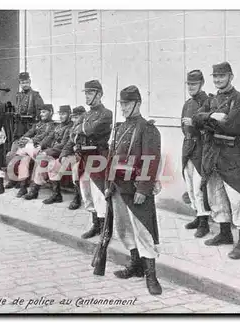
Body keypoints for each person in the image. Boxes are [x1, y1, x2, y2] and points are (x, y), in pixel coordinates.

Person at [192, 61, 240, 260]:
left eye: (222, 76)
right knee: (215, 195)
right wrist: (214, 116)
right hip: (212, 153)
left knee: (238, 198)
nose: (218, 79)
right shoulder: (212, 100)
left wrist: (209, 121)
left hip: (231, 153)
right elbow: (196, 119)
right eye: (215, 76)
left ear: (231, 76)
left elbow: (232, 126)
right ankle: (225, 233)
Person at [109, 85, 162, 295]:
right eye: (121, 104)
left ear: (138, 104)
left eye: (127, 104)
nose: (123, 108)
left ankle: (151, 275)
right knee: (123, 228)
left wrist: (143, 188)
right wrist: (108, 185)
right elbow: (111, 159)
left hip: (136, 187)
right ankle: (136, 264)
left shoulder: (147, 129)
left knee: (143, 230)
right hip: (118, 186)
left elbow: (151, 161)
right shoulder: (119, 128)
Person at [73, 80, 112, 239]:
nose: (87, 97)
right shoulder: (85, 114)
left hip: (98, 157)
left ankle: (105, 228)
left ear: (99, 94)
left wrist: (81, 130)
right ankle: (95, 224)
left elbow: (91, 130)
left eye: (90, 93)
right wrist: (80, 131)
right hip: (84, 157)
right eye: (86, 93)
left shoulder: (106, 113)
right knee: (86, 191)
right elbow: (72, 133)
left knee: (98, 193)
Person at [180, 70, 213, 238]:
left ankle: (204, 222)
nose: (191, 87)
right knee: (190, 186)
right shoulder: (187, 104)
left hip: (201, 148)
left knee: (200, 187)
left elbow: (210, 126)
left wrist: (195, 125)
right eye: (189, 84)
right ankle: (197, 215)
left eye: (194, 84)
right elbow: (182, 126)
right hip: (188, 147)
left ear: (201, 84)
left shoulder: (208, 101)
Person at [24, 105, 74, 203]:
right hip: (55, 152)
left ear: (69, 115)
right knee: (41, 161)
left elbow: (64, 144)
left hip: (64, 153)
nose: (61, 116)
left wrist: (48, 151)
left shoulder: (70, 128)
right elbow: (50, 137)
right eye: (60, 114)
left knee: (47, 162)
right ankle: (38, 191)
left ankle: (52, 193)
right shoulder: (59, 126)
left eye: (63, 114)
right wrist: (41, 146)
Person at [5, 104, 55, 198]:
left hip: (41, 149)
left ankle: (16, 180)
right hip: (31, 149)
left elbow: (45, 137)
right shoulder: (38, 124)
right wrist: (23, 138)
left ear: (51, 112)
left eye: (44, 112)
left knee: (20, 150)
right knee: (24, 159)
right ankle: (23, 186)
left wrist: (31, 141)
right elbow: (29, 132)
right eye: (41, 112)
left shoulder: (52, 126)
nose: (41, 114)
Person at [5, 72, 45, 189]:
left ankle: (24, 180)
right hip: (19, 128)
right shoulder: (18, 95)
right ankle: (13, 178)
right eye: (22, 82)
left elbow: (40, 115)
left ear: (30, 82)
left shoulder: (36, 95)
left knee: (26, 156)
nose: (24, 84)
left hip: (30, 127)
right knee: (14, 152)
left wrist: (34, 126)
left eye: (26, 82)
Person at [60, 106, 87, 210]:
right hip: (77, 156)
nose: (74, 120)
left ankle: (77, 197)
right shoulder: (73, 130)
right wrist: (63, 155)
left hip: (89, 156)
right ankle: (78, 195)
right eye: (73, 118)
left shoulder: (88, 129)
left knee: (76, 169)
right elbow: (68, 144)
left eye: (77, 117)